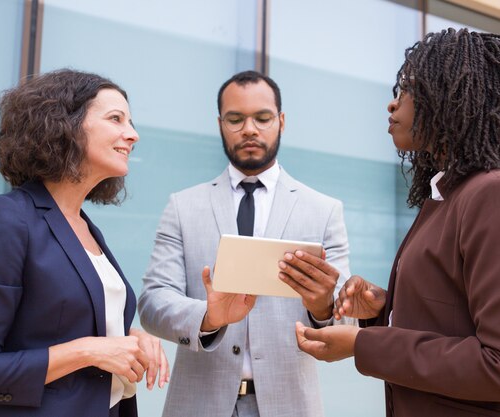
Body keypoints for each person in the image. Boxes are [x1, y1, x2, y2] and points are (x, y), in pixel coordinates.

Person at [292, 28, 500, 417]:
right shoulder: (449, 197)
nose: (392, 105)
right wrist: (383, 311)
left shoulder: (497, 198)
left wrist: (363, 345)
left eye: (407, 89)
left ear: (453, 99)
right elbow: (457, 324)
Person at [138, 70, 350, 417]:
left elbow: (344, 323)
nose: (249, 129)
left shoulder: (324, 211)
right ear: (220, 124)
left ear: (281, 121)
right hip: (198, 404)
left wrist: (323, 306)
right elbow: (152, 303)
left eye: (262, 118)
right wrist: (208, 317)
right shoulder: (183, 206)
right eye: (235, 119)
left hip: (289, 405)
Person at [0, 69, 169, 417]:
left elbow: (58, 317)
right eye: (116, 119)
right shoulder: (6, 219)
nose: (133, 135)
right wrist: (88, 351)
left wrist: (130, 334)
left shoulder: (86, 227)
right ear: (63, 124)